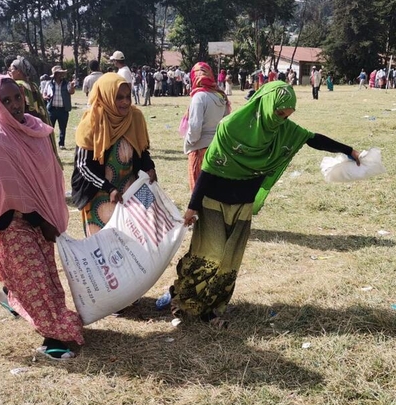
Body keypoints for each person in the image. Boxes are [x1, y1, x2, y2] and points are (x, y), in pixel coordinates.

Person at [165, 82, 361, 328]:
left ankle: (211, 308)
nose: (281, 120)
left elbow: (313, 138)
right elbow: (209, 169)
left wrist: (349, 151)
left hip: (243, 203)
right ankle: (183, 299)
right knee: (209, 255)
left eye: (287, 116)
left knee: (229, 260)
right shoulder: (230, 127)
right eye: (279, 113)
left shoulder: (282, 130)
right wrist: (193, 207)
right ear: (266, 104)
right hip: (214, 200)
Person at [0, 75, 84, 360]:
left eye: (17, 98)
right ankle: (53, 338)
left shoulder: (35, 130)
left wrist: (45, 212)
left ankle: (12, 295)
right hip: (8, 222)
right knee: (36, 278)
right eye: (6, 101)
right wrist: (33, 213)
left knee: (45, 275)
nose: (14, 105)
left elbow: (48, 174)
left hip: (39, 218)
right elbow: (1, 193)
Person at [71, 73, 156, 236]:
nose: (125, 102)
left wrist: (149, 167)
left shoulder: (135, 117)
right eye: (119, 97)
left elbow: (142, 150)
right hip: (99, 193)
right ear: (106, 97)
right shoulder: (92, 122)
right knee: (104, 246)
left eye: (127, 96)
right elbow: (83, 166)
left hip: (131, 190)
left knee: (136, 241)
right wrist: (109, 189)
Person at [184, 62, 230, 192]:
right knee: (213, 192)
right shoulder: (220, 96)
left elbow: (195, 127)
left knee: (198, 193)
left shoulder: (199, 97)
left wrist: (189, 142)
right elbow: (226, 121)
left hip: (200, 150)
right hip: (217, 148)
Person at [8, 56, 59, 160]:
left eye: (12, 69)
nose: (10, 72)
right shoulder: (33, 85)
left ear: (19, 72)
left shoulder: (17, 86)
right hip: (38, 124)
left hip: (25, 127)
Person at [43, 65, 74, 150]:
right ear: (55, 74)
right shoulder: (49, 83)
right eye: (59, 73)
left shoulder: (67, 83)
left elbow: (71, 92)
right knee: (50, 128)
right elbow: (44, 93)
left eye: (62, 73)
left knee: (62, 128)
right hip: (52, 109)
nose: (61, 75)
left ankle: (61, 144)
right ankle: (49, 144)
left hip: (63, 110)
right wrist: (45, 97)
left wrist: (72, 87)